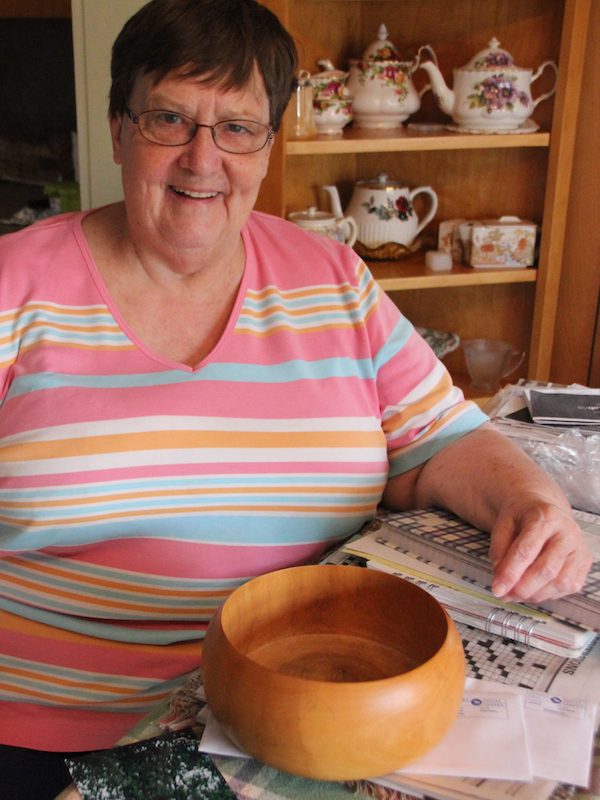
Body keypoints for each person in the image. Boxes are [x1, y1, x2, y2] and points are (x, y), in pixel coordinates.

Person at [0, 0, 592, 797]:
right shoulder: (15, 284)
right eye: (169, 119)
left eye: (237, 128)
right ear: (118, 129)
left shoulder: (333, 279)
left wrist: (530, 500)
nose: (203, 159)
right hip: (59, 735)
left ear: (268, 144)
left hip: (304, 717)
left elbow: (442, 440)